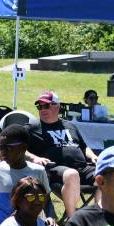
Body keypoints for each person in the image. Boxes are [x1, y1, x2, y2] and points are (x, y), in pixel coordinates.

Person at [26, 90, 93, 218]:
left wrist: (93, 156)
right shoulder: (33, 128)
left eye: (46, 106)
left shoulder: (70, 125)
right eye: (39, 106)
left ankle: (103, 216)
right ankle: (73, 220)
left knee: (107, 174)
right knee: (72, 175)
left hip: (82, 167)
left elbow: (84, 147)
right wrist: (35, 158)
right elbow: (20, 148)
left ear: (57, 106)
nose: (42, 109)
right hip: (55, 170)